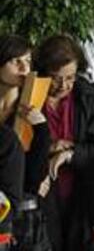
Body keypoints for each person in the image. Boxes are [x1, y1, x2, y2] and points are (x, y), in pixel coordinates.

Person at [34, 34, 94, 251]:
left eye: (70, 77)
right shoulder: (30, 98)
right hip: (43, 195)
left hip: (82, 195)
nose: (64, 85)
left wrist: (72, 154)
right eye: (56, 78)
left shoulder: (88, 97)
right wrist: (48, 148)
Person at [0, 35, 50, 196]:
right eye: (16, 61)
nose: (24, 69)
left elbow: (34, 179)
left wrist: (41, 128)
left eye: (28, 61)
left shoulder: (35, 105)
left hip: (15, 205)